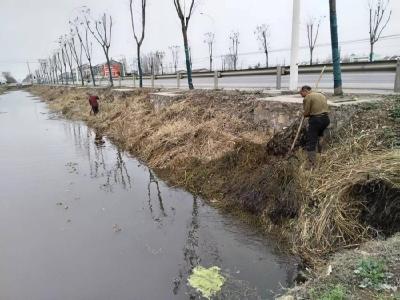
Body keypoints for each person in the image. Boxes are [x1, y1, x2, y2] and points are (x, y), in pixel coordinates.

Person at [299, 85, 330, 168]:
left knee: (311, 141)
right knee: (320, 137)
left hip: (316, 120)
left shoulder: (307, 97)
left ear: (305, 91)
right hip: (326, 119)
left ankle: (311, 164)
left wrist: (303, 114)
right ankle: (322, 156)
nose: (300, 94)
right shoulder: (321, 95)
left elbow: (306, 113)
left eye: (301, 92)